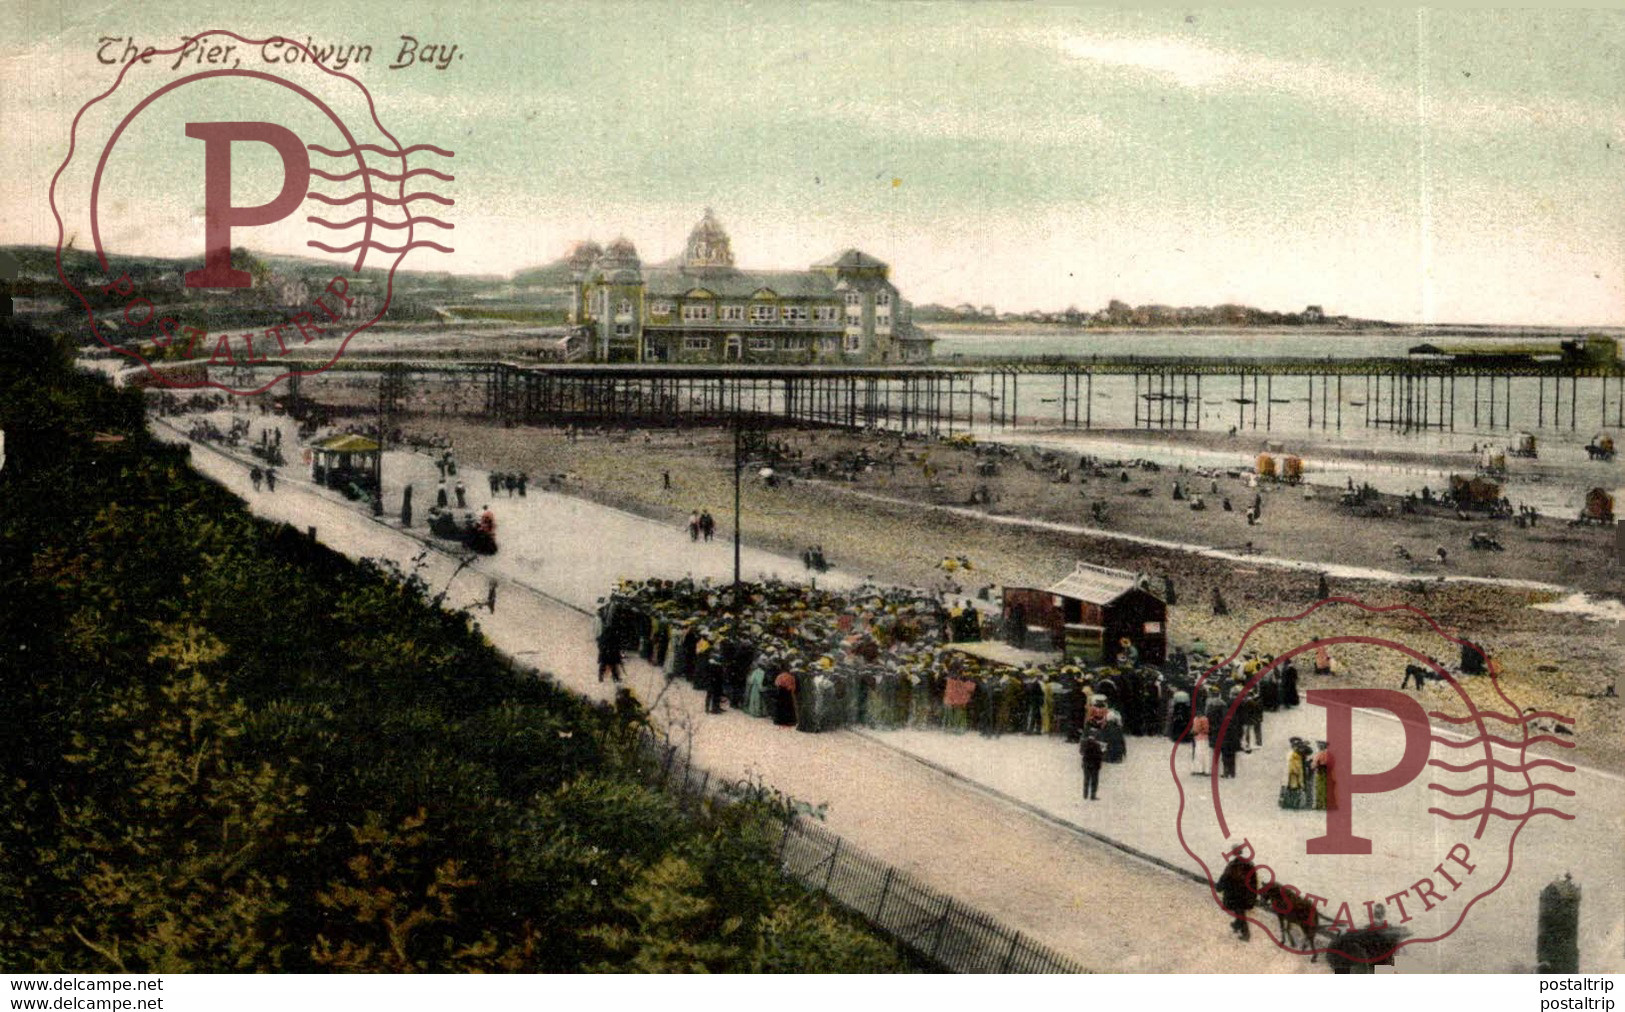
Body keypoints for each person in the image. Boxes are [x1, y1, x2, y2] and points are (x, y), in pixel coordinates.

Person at [1218, 854, 1258, 941]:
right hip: (1243, 894)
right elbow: (1253, 883)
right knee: (1239, 911)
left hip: (1237, 894)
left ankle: (1246, 934)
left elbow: (1225, 876)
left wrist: (1219, 886)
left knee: (1240, 913)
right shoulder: (1248, 866)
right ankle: (1237, 925)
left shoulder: (1234, 865)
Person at [1080, 730, 1104, 801]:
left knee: (1086, 780)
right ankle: (1092, 796)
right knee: (1094, 781)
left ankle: (1085, 795)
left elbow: (1081, 752)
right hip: (1094, 765)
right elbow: (1100, 756)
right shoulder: (1097, 745)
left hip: (1086, 764)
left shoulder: (1085, 744)